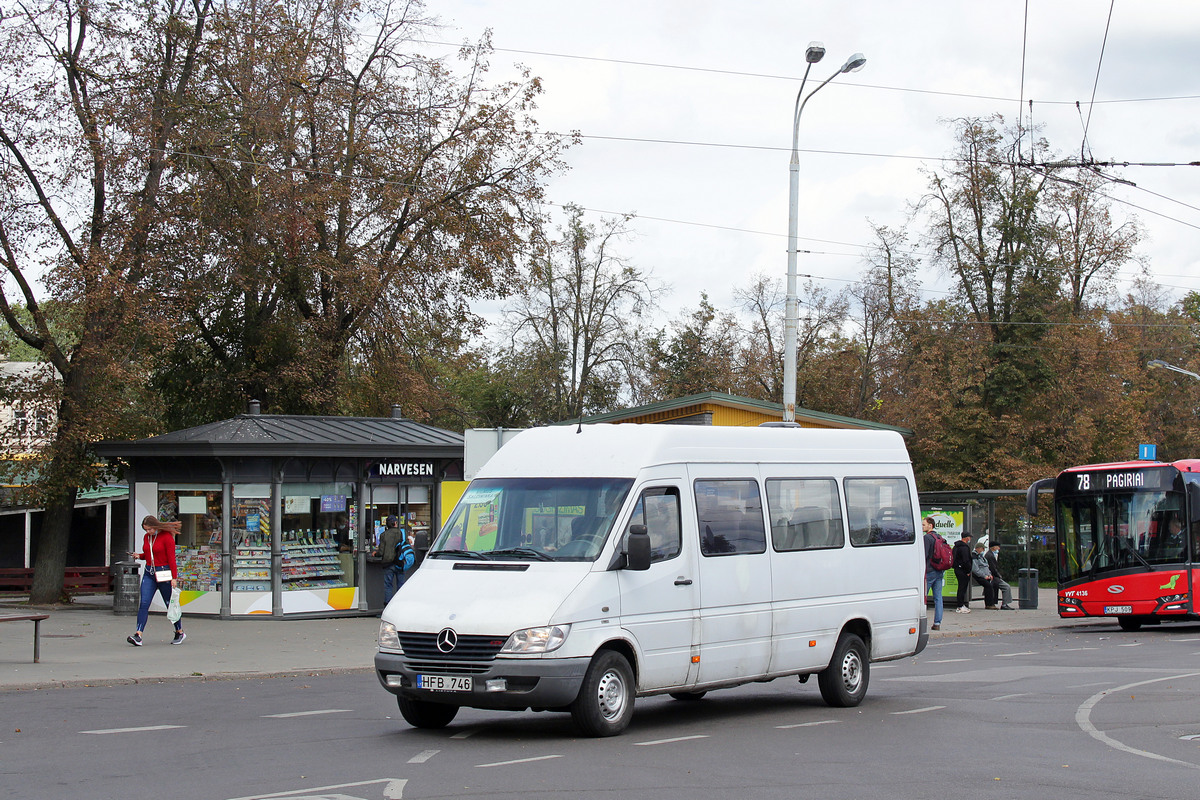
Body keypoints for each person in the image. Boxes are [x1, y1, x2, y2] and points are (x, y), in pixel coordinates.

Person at [127, 515, 185, 646]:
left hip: (164, 572)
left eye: (149, 529)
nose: (148, 532)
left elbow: (171, 558)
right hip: (150, 573)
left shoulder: (166, 537)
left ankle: (179, 631)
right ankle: (138, 634)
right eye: (146, 530)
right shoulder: (147, 537)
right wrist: (139, 556)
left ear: (155, 526)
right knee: (144, 603)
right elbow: (148, 554)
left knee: (169, 604)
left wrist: (174, 577)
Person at [375, 517, 415, 603]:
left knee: (388, 586)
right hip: (400, 562)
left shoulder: (383, 535)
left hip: (388, 564)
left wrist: (375, 553)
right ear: (396, 523)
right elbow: (407, 546)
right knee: (400, 585)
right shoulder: (402, 533)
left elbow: (381, 552)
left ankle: (387, 607)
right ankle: (399, 606)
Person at [922, 516, 945, 631]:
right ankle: (937, 623)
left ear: (930, 526)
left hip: (929, 571)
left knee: (922, 597)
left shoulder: (927, 538)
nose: (922, 526)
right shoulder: (939, 537)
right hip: (939, 571)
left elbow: (924, 555)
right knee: (938, 598)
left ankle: (920, 621)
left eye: (924, 525)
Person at [986, 541, 1015, 610]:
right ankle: (1004, 604)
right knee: (1006, 587)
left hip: (992, 576)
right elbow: (993, 568)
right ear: (993, 547)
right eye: (997, 546)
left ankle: (1002, 604)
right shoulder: (990, 556)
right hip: (993, 577)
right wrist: (999, 575)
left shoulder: (990, 554)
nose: (999, 548)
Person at [952, 532, 974, 613]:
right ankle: (960, 605)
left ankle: (960, 605)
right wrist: (968, 570)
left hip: (957, 568)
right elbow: (966, 560)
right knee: (962, 587)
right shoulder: (964, 547)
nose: (970, 539)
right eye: (969, 537)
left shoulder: (956, 546)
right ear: (966, 537)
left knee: (961, 587)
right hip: (963, 570)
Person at [973, 542, 998, 609]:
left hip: (986, 575)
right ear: (978, 548)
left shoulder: (981, 557)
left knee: (993, 585)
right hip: (979, 575)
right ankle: (989, 604)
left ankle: (992, 603)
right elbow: (975, 569)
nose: (983, 550)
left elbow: (986, 566)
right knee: (988, 586)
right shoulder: (974, 556)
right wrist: (984, 576)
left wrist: (989, 574)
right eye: (982, 549)